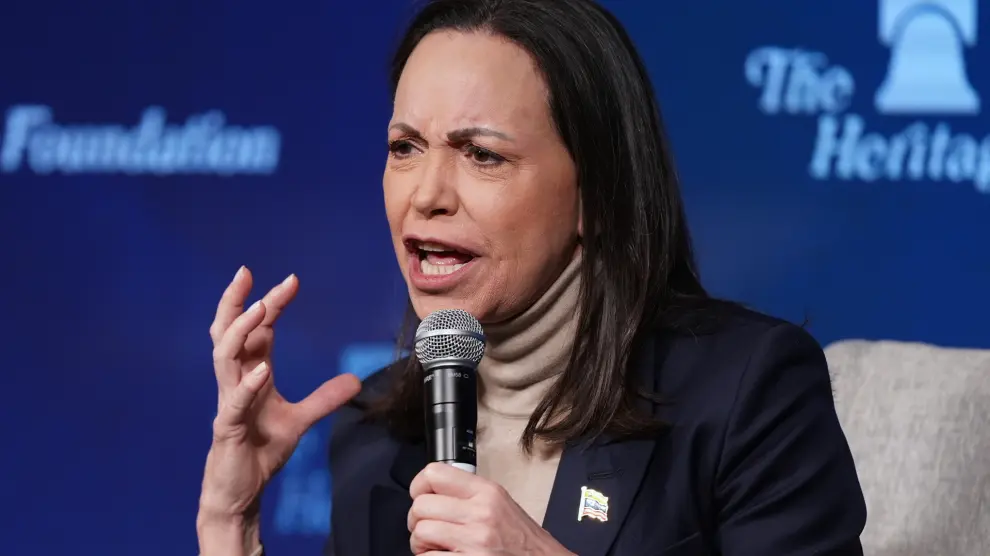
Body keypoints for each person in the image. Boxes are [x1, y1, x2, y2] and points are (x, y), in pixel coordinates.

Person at [196, 0, 868, 554]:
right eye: (405, 148)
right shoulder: (375, 430)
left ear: (596, 196)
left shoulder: (747, 392)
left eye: (481, 155)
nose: (426, 194)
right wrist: (232, 524)